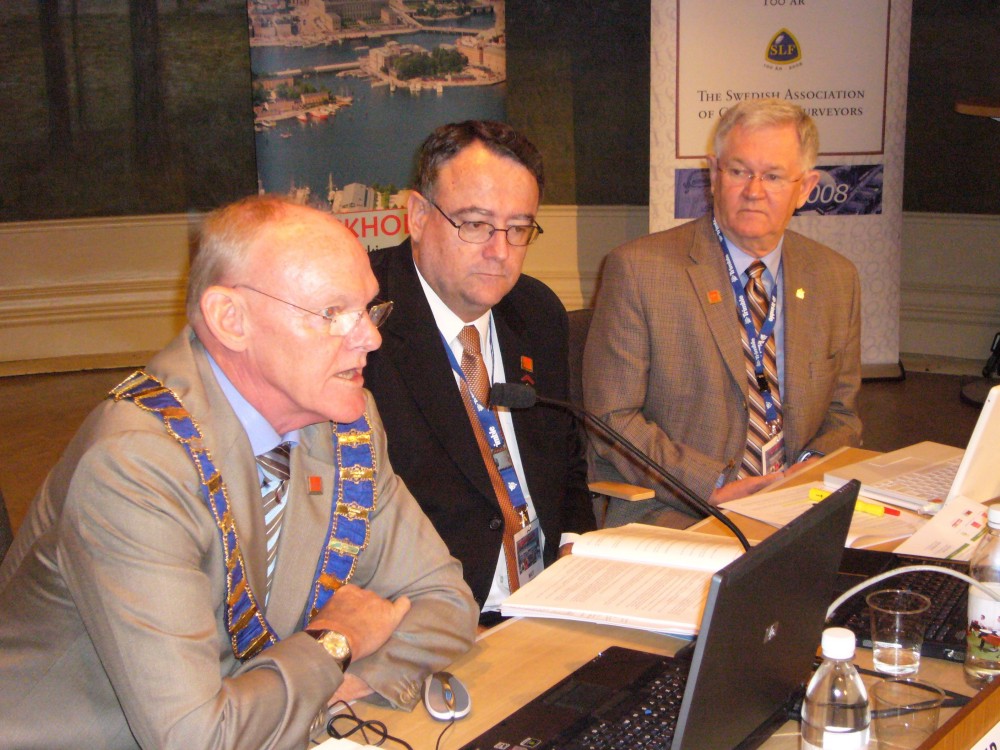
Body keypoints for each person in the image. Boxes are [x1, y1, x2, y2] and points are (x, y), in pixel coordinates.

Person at [0, 195, 478, 749]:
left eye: (368, 309)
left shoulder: (342, 422)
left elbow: (445, 601)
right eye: (333, 313)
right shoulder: (135, 466)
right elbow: (197, 739)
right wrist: (336, 642)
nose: (370, 337)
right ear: (231, 320)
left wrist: (332, 685)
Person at [584, 98, 862, 529]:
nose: (754, 191)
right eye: (738, 171)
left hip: (796, 503)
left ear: (805, 188)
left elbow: (842, 414)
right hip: (678, 506)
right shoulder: (640, 270)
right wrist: (711, 484)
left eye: (773, 176)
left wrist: (808, 469)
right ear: (713, 174)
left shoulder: (836, 278)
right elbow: (612, 419)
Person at [363, 121, 594, 626]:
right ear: (418, 216)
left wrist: (576, 550)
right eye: (475, 224)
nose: (500, 252)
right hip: (431, 618)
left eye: (519, 228)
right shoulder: (360, 320)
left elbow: (567, 464)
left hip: (550, 600)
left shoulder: (536, 311)